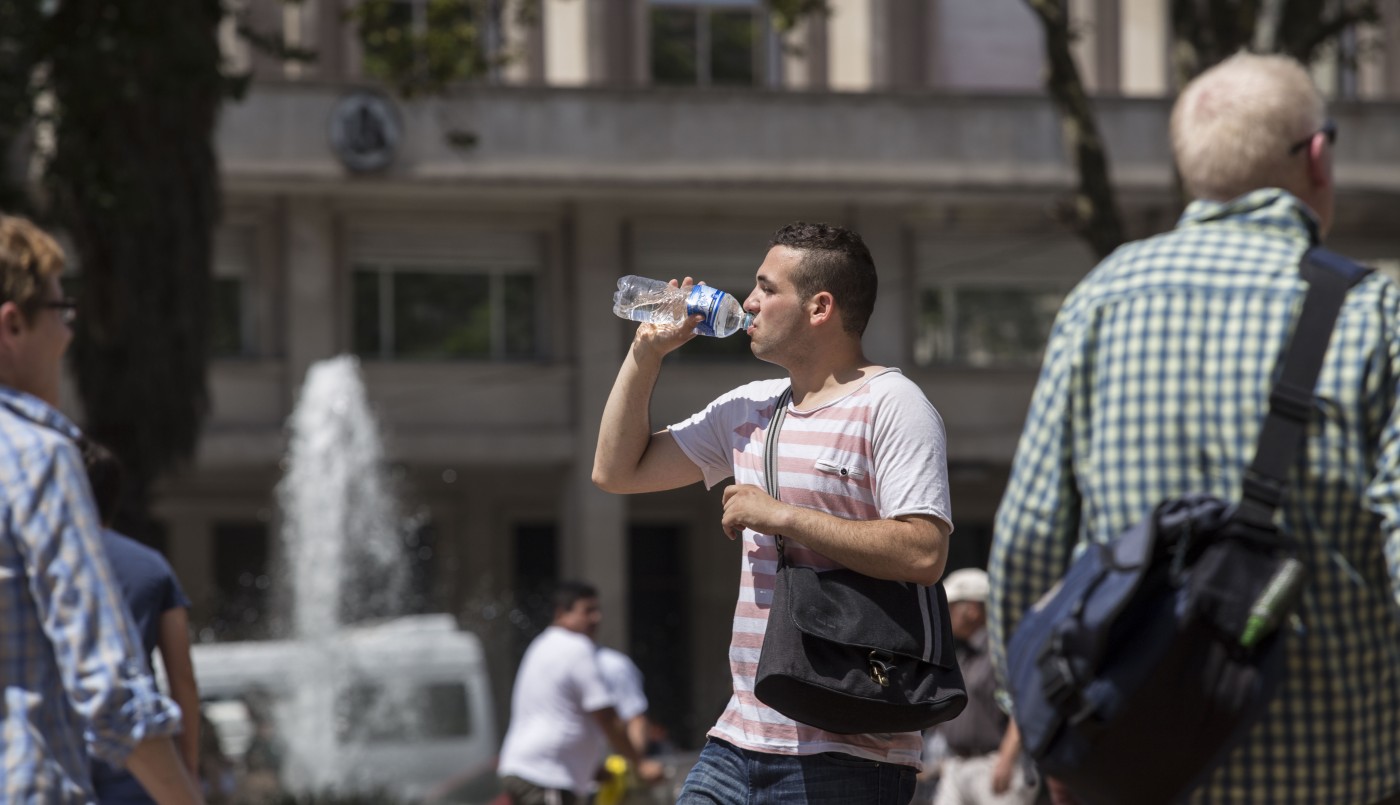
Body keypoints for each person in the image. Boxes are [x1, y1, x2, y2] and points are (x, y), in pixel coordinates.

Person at [987, 52, 1400, 805]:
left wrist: (1044, 728)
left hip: (1130, 767)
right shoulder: (1374, 313)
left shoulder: (1099, 302)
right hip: (1338, 770)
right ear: (1317, 156)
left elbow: (1030, 540)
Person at [593, 221, 953, 804]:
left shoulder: (894, 403)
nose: (749, 301)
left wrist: (781, 515)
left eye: (766, 287)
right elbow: (616, 472)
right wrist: (645, 355)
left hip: (850, 749)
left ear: (820, 307)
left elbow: (924, 552)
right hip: (738, 738)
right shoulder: (748, 407)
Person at [0, 213, 203, 803]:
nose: (68, 334)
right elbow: (108, 690)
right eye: (61, 313)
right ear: (13, 325)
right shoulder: (35, 459)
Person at [79, 437, 203, 803]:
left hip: (58, 743)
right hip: (137, 755)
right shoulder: (152, 567)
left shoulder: (41, 564)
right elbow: (182, 677)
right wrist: (187, 766)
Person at [496, 580, 664, 804]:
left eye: (597, 610)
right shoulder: (576, 648)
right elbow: (607, 717)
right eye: (588, 611)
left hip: (522, 768)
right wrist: (639, 763)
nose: (596, 618)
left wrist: (591, 768)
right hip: (546, 775)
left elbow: (560, 715)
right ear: (561, 613)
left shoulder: (541, 645)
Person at [929, 569, 1036, 805]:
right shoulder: (964, 653)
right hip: (957, 765)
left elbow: (1024, 705)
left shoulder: (1001, 652)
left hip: (995, 765)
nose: (945, 613)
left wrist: (1007, 759)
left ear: (973, 610)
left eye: (951, 605)